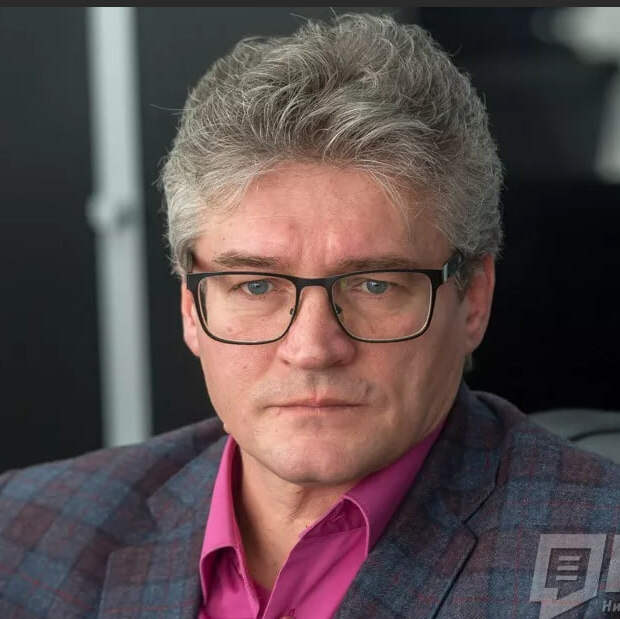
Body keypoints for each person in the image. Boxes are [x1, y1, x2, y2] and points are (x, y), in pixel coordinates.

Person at [1, 12, 619, 619]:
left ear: (473, 299)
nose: (313, 348)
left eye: (375, 285)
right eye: (256, 285)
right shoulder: (23, 534)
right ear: (191, 307)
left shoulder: (600, 566)